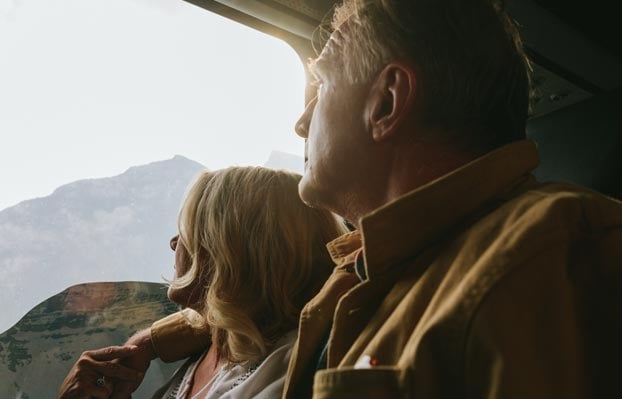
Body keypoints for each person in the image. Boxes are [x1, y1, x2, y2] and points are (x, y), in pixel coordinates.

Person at [73, 0, 622, 397]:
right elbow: (241, 305)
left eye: (322, 88)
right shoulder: (370, 274)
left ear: (386, 102)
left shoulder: (556, 253)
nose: (299, 122)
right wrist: (149, 340)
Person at [57, 167, 346, 399]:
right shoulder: (216, 347)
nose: (173, 243)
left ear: (224, 249)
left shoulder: (284, 373)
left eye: (187, 230)